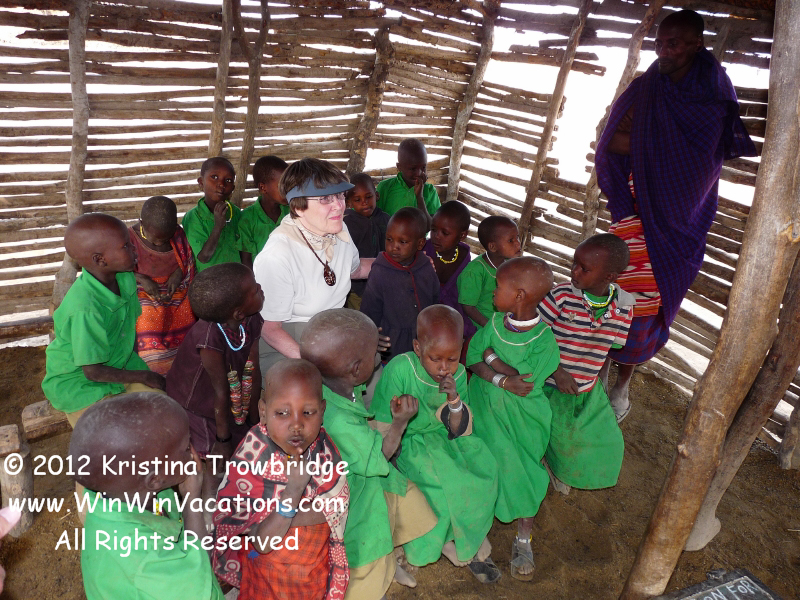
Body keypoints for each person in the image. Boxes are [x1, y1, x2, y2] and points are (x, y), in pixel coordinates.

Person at [594, 9, 756, 419]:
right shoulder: (648, 86)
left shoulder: (712, 95)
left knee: (646, 307)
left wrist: (646, 141)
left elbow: (700, 160)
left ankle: (622, 388)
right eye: (659, 43)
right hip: (632, 216)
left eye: (675, 44)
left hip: (677, 222)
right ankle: (596, 370)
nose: (664, 51)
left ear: (697, 44)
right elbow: (612, 141)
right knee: (611, 295)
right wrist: (654, 143)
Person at [300, 309, 437, 600]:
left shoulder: (334, 386)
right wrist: (399, 423)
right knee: (367, 546)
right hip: (355, 496)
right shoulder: (340, 421)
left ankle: (389, 567)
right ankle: (370, 589)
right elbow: (381, 455)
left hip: (362, 472)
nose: (379, 354)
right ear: (355, 369)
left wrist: (367, 342)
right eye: (375, 351)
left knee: (401, 502)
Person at [372, 305, 501, 584]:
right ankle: (443, 541)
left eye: (452, 359)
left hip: (447, 438)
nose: (444, 368)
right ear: (418, 348)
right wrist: (395, 440)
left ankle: (468, 533)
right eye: (435, 359)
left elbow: (458, 428)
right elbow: (383, 421)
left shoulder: (459, 375)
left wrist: (454, 399)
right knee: (435, 485)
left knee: (482, 474)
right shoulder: (400, 369)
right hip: (409, 440)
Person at [213, 359, 350, 600]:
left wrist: (280, 518)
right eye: (282, 413)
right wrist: (293, 492)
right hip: (263, 575)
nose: (296, 425)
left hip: (311, 577)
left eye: (308, 412)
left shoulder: (324, 450)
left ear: (322, 411)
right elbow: (262, 543)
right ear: (263, 412)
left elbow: (335, 508)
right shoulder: (252, 456)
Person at [69, 392, 223, 600]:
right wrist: (191, 500)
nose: (193, 453)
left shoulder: (125, 493)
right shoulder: (146, 560)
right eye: (187, 447)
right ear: (155, 479)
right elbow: (198, 571)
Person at [466, 257, 560, 581]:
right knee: (483, 466)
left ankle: (523, 539)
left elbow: (526, 382)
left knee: (524, 472)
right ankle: (476, 532)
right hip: (484, 410)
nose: (492, 292)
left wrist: (491, 358)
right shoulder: (493, 323)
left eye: (498, 287)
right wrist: (500, 376)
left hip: (524, 420)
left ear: (519, 295)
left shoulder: (544, 339)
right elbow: (473, 358)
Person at [254, 157, 378, 373]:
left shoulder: (338, 230)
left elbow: (355, 270)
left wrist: (401, 264)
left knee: (372, 368)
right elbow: (270, 329)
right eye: (325, 199)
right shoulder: (278, 255)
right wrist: (320, 365)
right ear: (299, 207)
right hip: (288, 344)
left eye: (340, 195)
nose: (339, 205)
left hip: (331, 332)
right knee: (332, 388)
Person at [42, 213, 165, 427]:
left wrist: (138, 371)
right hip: (80, 383)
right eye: (126, 246)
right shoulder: (85, 308)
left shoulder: (124, 278)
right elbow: (92, 371)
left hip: (121, 365)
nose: (135, 249)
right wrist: (142, 377)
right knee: (113, 432)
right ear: (100, 260)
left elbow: (128, 330)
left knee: (162, 410)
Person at [539, 235, 633, 494]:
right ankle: (553, 467)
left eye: (584, 268)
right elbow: (534, 337)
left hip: (587, 388)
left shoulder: (624, 306)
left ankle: (563, 468)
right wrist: (556, 371)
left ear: (609, 276)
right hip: (550, 384)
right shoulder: (561, 296)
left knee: (605, 440)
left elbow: (612, 347)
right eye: (574, 263)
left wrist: (590, 376)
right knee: (554, 433)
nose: (574, 271)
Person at [166, 263, 264, 506]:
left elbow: (252, 369)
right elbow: (219, 392)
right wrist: (223, 440)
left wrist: (255, 422)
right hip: (198, 405)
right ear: (237, 313)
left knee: (245, 440)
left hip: (229, 399)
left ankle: (231, 498)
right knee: (215, 458)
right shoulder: (209, 336)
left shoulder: (251, 319)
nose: (260, 288)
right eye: (254, 289)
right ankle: (206, 508)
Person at [360, 207, 439, 361]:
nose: (394, 246)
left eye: (402, 242)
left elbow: (434, 299)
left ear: (420, 243)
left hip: (424, 339)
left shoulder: (425, 266)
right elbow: (369, 309)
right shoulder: (380, 271)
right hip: (391, 343)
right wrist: (371, 335)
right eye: (389, 239)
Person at [129, 195, 197, 375]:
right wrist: (142, 279)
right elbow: (119, 271)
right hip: (142, 292)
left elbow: (187, 261)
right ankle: (156, 364)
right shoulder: (129, 239)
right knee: (147, 316)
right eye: (155, 239)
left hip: (176, 288)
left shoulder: (178, 234)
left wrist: (178, 273)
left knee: (188, 308)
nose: (160, 243)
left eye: (165, 239)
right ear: (141, 223)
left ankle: (184, 361)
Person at [457, 215, 522, 330]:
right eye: (511, 240)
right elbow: (468, 307)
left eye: (517, 237)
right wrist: (490, 327)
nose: (518, 243)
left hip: (502, 322)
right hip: (481, 328)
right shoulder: (475, 272)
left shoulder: (509, 264)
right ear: (493, 247)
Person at [423, 200, 475, 340]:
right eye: (433, 229)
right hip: (423, 310)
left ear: (462, 235)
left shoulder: (464, 256)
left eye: (445, 233)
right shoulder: (423, 252)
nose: (436, 236)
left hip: (453, 312)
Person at [182, 156, 241, 271]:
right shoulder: (193, 217)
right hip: (210, 280)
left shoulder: (236, 213)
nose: (221, 184)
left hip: (237, 278)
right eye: (214, 177)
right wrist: (218, 227)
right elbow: (203, 257)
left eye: (228, 180)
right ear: (201, 182)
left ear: (233, 188)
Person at [343, 173, 391, 309]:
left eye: (368, 197)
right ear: (349, 202)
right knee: (359, 317)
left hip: (384, 282)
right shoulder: (346, 225)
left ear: (377, 196)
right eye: (357, 200)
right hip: (357, 288)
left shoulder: (386, 220)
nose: (364, 202)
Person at [239, 155, 289, 268]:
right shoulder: (247, 219)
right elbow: (246, 260)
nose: (288, 189)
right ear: (263, 187)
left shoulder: (292, 212)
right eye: (282, 185)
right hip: (261, 277)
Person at [375, 138, 440, 222]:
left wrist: (419, 197)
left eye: (423, 167)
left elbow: (431, 226)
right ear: (399, 167)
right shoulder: (385, 188)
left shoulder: (430, 191)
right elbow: (375, 220)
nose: (419, 173)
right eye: (413, 169)